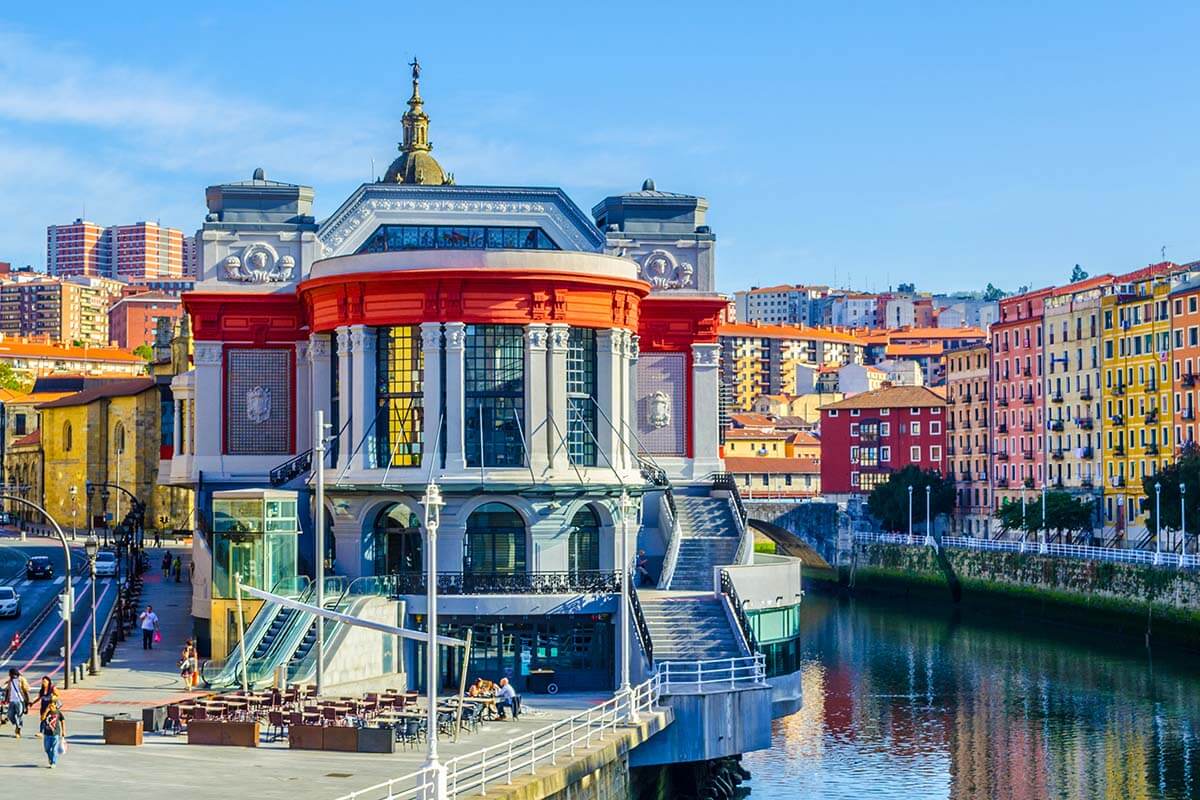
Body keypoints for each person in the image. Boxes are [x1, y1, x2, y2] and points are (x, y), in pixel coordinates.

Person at [39, 696, 66, 768]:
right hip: (47, 733)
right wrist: (46, 711)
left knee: (54, 749)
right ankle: (50, 759)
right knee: (47, 748)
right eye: (50, 704)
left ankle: (53, 762)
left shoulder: (58, 713)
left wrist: (63, 731)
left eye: (52, 704)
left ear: (55, 705)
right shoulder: (47, 712)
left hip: (55, 734)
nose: (51, 706)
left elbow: (62, 721)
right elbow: (42, 718)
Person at [3, 668, 30, 737]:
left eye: (9, 673)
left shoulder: (21, 680)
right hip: (12, 701)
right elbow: (7, 690)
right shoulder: (10, 680)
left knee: (19, 715)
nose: (9, 674)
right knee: (10, 715)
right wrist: (6, 700)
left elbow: (26, 691)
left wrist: (27, 703)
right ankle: (17, 724)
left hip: (20, 701)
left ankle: (18, 729)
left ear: (13, 674)